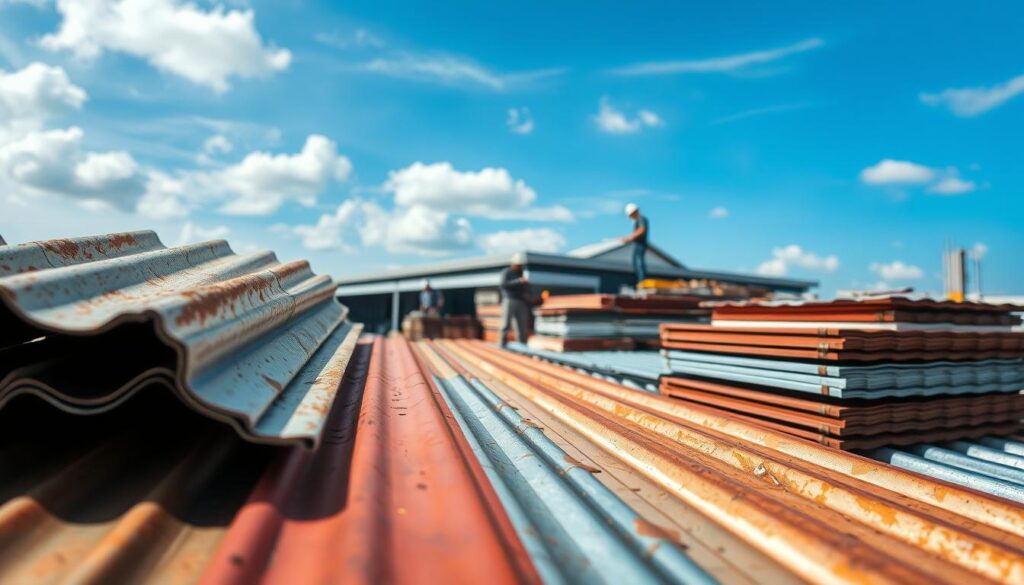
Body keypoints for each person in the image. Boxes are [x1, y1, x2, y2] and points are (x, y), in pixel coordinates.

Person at [498, 252, 530, 346]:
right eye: (518, 265)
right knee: (506, 323)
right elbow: (503, 285)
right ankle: (502, 343)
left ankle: (522, 344)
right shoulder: (507, 272)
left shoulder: (521, 273)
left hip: (521, 300)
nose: (519, 267)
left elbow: (524, 288)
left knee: (522, 324)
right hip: (510, 299)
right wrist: (518, 281)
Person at [621, 203, 649, 286]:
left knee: (639, 263)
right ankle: (639, 283)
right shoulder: (638, 221)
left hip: (641, 245)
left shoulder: (641, 219)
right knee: (635, 263)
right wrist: (628, 238)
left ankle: (642, 283)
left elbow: (641, 230)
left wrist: (629, 237)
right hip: (637, 244)